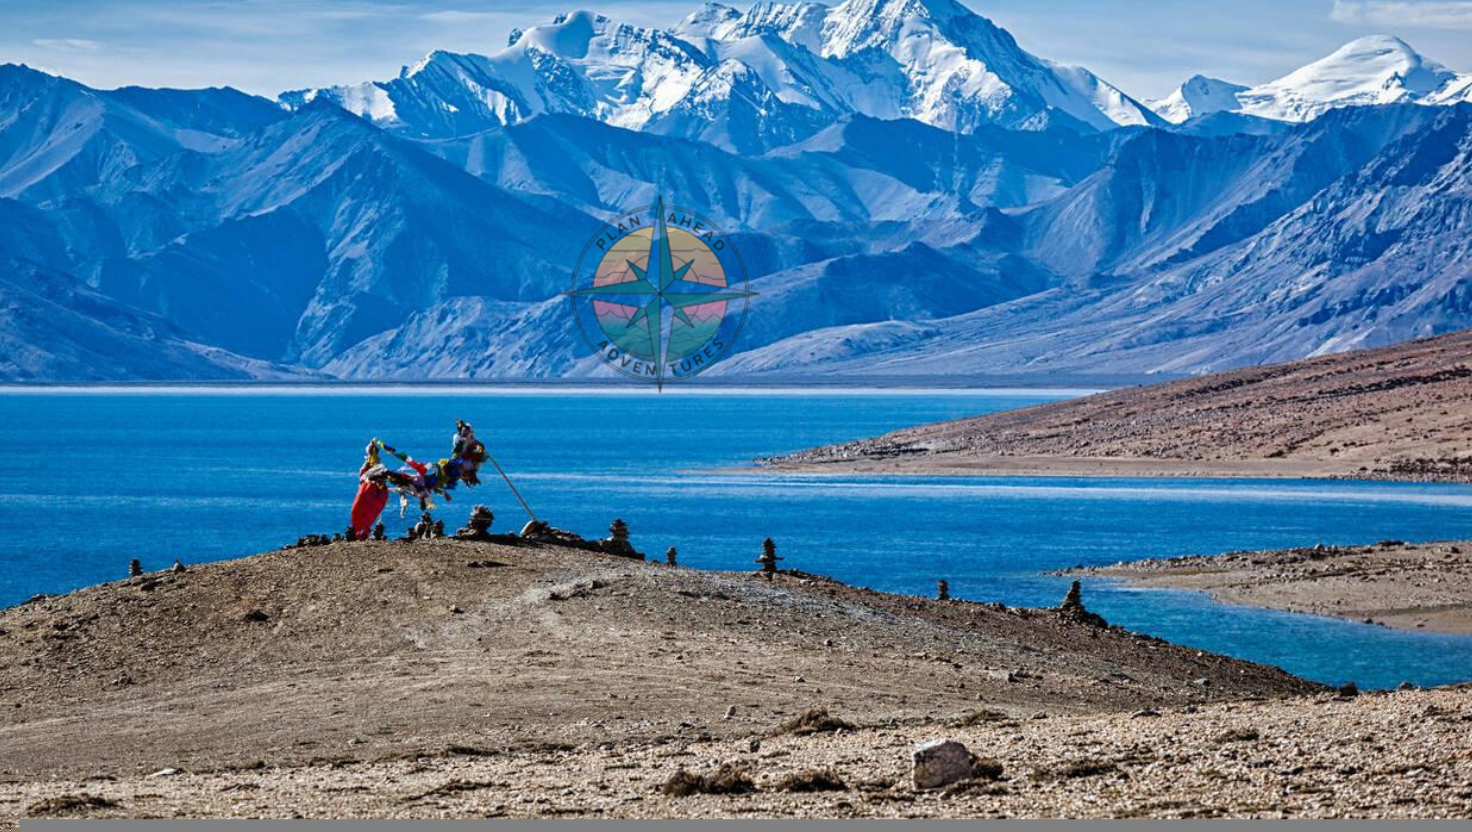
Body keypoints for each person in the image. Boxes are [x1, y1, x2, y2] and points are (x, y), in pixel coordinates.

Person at [349, 441, 391, 540]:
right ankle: (360, 534)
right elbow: (363, 473)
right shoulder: (368, 480)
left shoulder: (377, 486)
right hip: (368, 496)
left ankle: (360, 534)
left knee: (357, 515)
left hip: (368, 497)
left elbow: (363, 474)